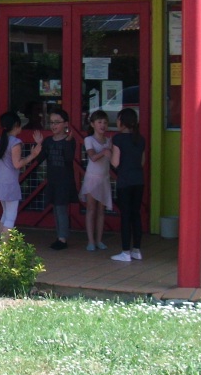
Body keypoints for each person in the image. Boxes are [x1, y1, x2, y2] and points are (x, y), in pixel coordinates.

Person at [0, 111, 40, 239]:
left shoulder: (0, 140)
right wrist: (32, 155)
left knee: (5, 214)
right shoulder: (15, 142)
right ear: (16, 125)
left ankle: (2, 247)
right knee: (10, 216)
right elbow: (17, 164)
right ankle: (6, 247)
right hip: (10, 183)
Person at [32, 109, 76, 250]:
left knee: (61, 208)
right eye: (51, 122)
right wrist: (38, 145)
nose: (53, 125)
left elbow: (69, 159)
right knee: (56, 208)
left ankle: (62, 239)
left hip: (65, 180)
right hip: (52, 179)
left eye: (57, 122)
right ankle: (59, 236)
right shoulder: (48, 141)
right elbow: (39, 159)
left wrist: (68, 143)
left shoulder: (70, 140)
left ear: (65, 124)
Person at [110, 107, 147, 262]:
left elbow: (115, 162)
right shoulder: (141, 139)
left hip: (124, 181)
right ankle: (136, 250)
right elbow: (142, 162)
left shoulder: (118, 139)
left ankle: (125, 251)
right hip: (138, 180)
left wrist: (108, 154)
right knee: (135, 214)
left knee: (125, 216)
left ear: (123, 122)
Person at [78, 109, 113, 251]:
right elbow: (92, 157)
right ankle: (91, 240)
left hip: (104, 178)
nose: (102, 125)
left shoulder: (109, 141)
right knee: (91, 209)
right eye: (99, 122)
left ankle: (99, 240)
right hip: (92, 178)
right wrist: (104, 152)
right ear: (92, 124)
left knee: (101, 210)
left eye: (105, 122)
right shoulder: (89, 140)